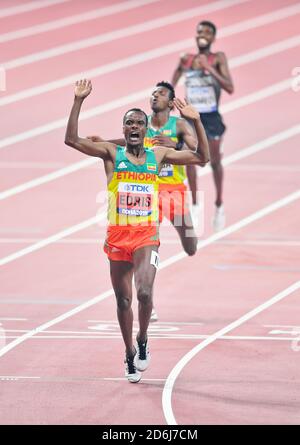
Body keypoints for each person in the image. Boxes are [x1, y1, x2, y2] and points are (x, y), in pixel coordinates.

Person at [65, 79, 209, 383]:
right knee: (123, 301)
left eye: (138, 123)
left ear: (145, 132)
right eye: (128, 123)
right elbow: (72, 140)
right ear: (125, 129)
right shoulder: (110, 154)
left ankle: (143, 340)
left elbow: (202, 158)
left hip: (146, 236)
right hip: (118, 238)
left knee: (144, 292)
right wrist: (78, 101)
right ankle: (129, 351)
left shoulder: (157, 156)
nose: (133, 127)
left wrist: (196, 121)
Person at [88, 81, 202, 322]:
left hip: (175, 191)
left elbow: (196, 152)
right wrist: (103, 141)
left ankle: (147, 288)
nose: (154, 96)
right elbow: (126, 145)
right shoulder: (143, 125)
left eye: (160, 94)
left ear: (170, 102)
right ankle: (148, 299)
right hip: (151, 191)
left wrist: (176, 144)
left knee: (190, 246)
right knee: (147, 241)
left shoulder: (178, 124)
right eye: (152, 93)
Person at [171, 20, 234, 232]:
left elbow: (230, 87)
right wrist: (170, 98)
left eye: (207, 32)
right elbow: (174, 80)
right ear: (196, 36)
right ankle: (196, 206)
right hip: (191, 117)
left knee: (214, 162)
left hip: (211, 117)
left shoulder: (218, 58)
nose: (203, 34)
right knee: (190, 159)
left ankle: (219, 204)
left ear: (214, 38)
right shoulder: (186, 59)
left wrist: (209, 69)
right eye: (200, 31)